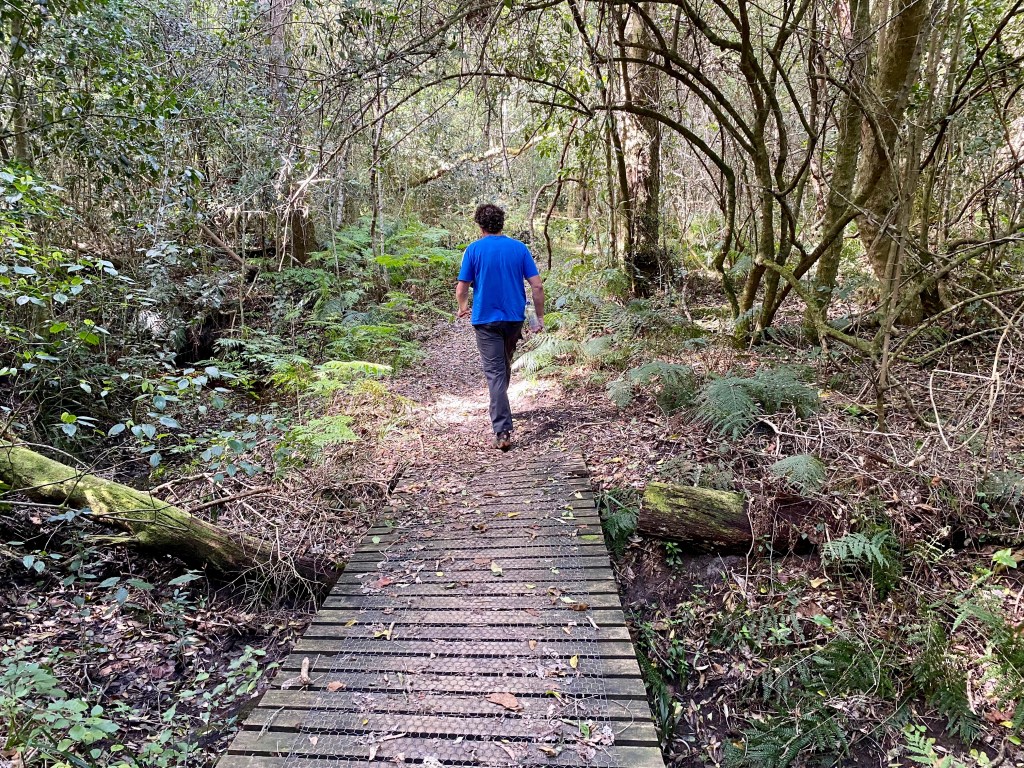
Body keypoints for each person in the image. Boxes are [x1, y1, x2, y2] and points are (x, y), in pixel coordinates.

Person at [456, 203, 544, 451]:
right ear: (502, 223)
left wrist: (463, 307)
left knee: (496, 372)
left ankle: (502, 430)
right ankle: (501, 407)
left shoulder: (473, 250)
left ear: (480, 225)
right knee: (502, 366)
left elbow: (462, 288)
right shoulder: (518, 248)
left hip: (485, 320)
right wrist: (539, 318)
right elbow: (537, 286)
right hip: (513, 318)